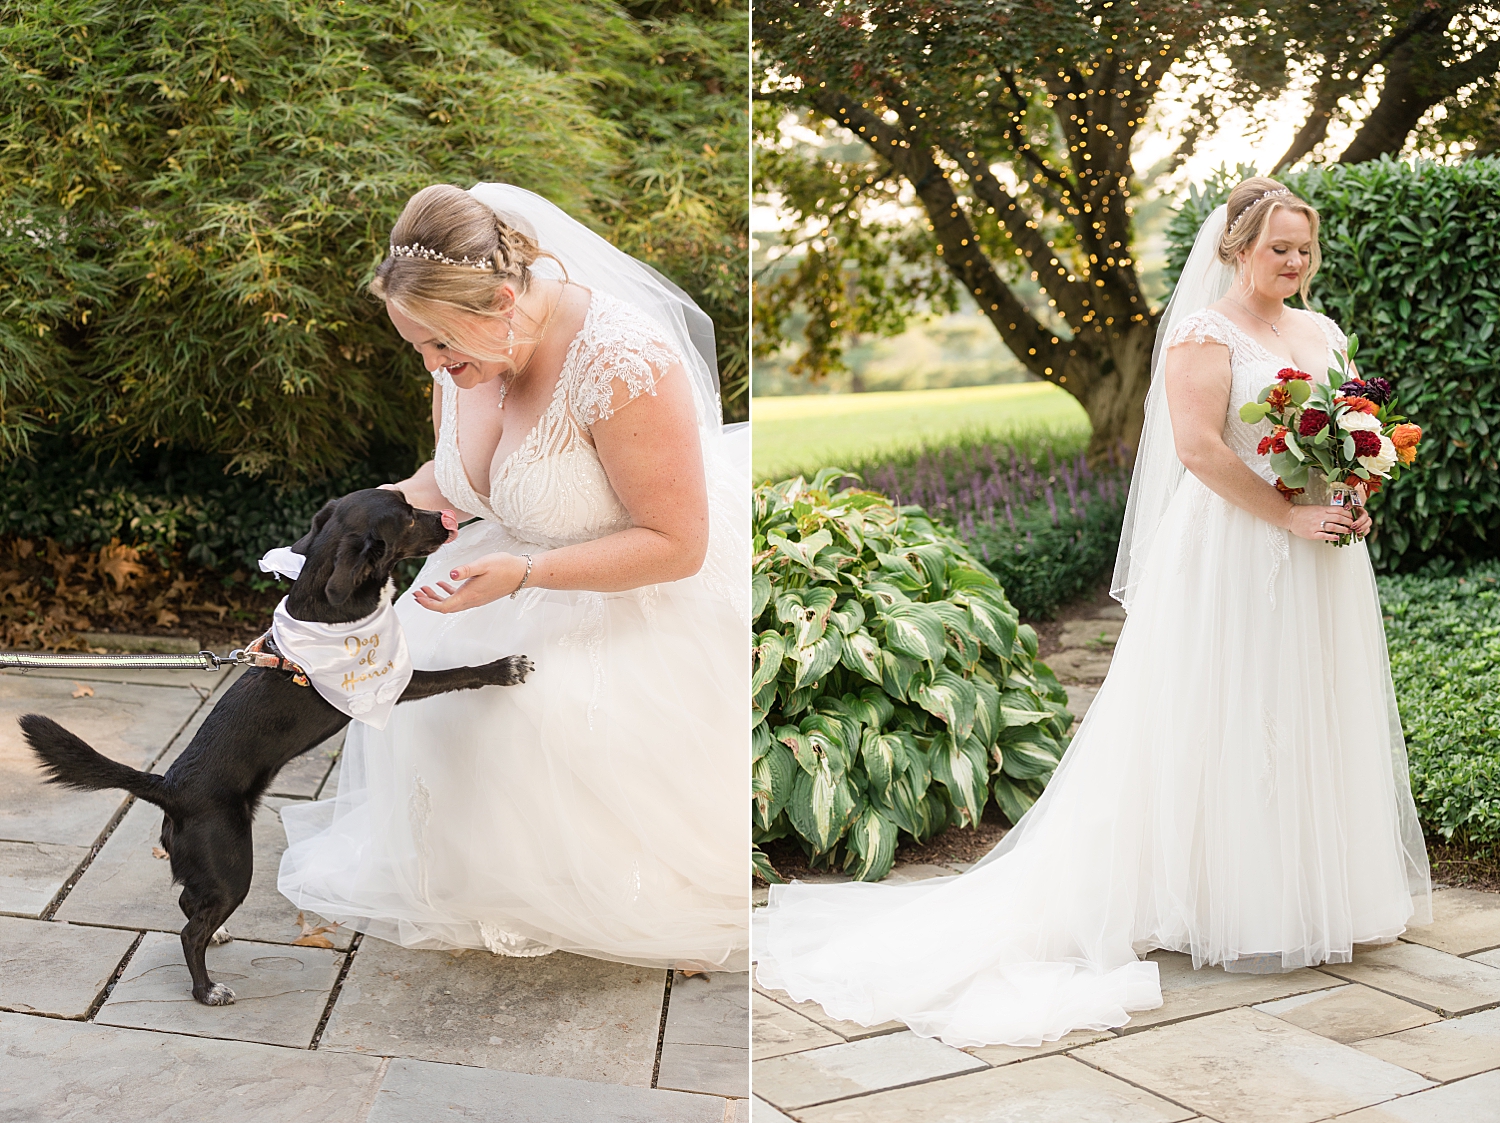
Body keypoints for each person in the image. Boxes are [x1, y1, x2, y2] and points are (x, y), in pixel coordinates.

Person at [753, 176, 1432, 1047]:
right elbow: (1198, 450)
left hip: (1317, 552)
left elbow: (1343, 433)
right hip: (1235, 546)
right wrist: (1288, 512)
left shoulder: (1321, 332)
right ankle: (1220, 901)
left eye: (1304, 249)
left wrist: (1347, 495)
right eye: (1278, 249)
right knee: (1221, 709)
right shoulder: (1202, 333)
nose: (1294, 263)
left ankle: (1319, 891)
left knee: (1307, 706)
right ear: (1236, 249)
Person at [278, 183, 749, 972]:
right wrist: (343, 534)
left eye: (440, 348)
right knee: (422, 682)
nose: (433, 367)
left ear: (502, 301)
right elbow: (458, 479)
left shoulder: (622, 360)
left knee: (533, 707)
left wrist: (529, 572)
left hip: (627, 594)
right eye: (419, 349)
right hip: (499, 572)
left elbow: (676, 542)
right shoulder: (466, 345)